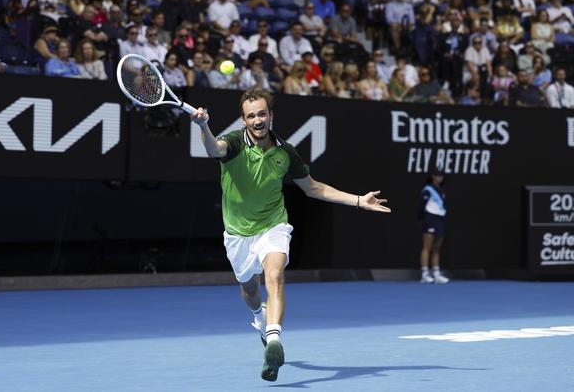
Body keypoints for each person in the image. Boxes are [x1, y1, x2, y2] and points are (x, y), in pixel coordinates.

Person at [189, 88, 390, 382]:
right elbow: (212, 150)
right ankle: (259, 317)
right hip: (237, 234)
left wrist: (359, 200)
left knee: (275, 274)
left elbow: (314, 188)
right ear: (243, 120)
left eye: (261, 114)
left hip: (273, 225)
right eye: (250, 116)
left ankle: (274, 341)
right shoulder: (232, 143)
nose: (257, 120)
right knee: (250, 291)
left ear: (271, 115)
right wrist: (203, 126)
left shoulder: (286, 152)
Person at [417, 169, 449, 284]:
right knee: (427, 247)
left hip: (440, 220)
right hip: (430, 220)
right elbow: (421, 206)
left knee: (437, 248)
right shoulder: (427, 190)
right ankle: (425, 274)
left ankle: (436, 274)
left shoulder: (442, 190)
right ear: (433, 177)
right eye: (438, 176)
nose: (440, 178)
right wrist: (421, 219)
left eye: (441, 176)